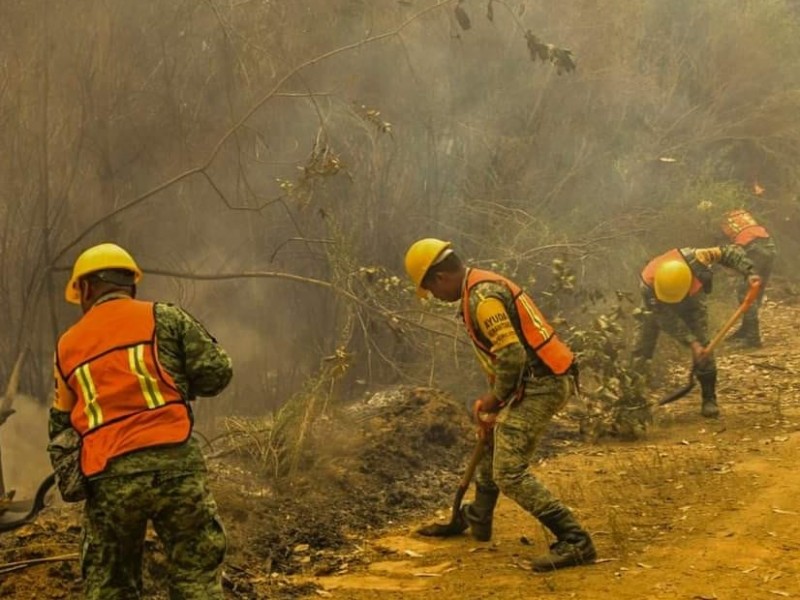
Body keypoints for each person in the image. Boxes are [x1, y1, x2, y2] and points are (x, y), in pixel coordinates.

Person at [48, 243, 233, 599]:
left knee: (111, 585)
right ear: (131, 285)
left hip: (109, 477)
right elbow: (216, 374)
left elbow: (60, 427)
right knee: (195, 574)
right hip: (176, 467)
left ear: (85, 288)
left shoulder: (67, 346)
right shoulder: (165, 318)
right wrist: (178, 383)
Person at [404, 238, 595, 572]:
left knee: (508, 471)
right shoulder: (477, 286)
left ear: (439, 278)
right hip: (534, 380)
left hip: (543, 384)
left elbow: (512, 353)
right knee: (491, 442)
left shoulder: (482, 299)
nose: (434, 297)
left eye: (430, 290)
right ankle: (478, 515)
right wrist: (497, 400)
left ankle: (576, 540)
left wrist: (495, 398)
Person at [632, 245, 760, 419]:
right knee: (642, 345)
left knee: (703, 343)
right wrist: (692, 343)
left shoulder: (697, 258)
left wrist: (749, 271)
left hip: (691, 301)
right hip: (658, 304)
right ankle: (633, 399)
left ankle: (709, 398)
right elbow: (667, 320)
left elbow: (729, 252)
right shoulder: (648, 285)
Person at [720, 209, 776, 347]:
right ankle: (746, 330)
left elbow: (729, 248)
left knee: (745, 292)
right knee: (756, 292)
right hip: (768, 245)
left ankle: (752, 339)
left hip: (753, 247)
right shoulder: (738, 211)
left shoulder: (719, 218)